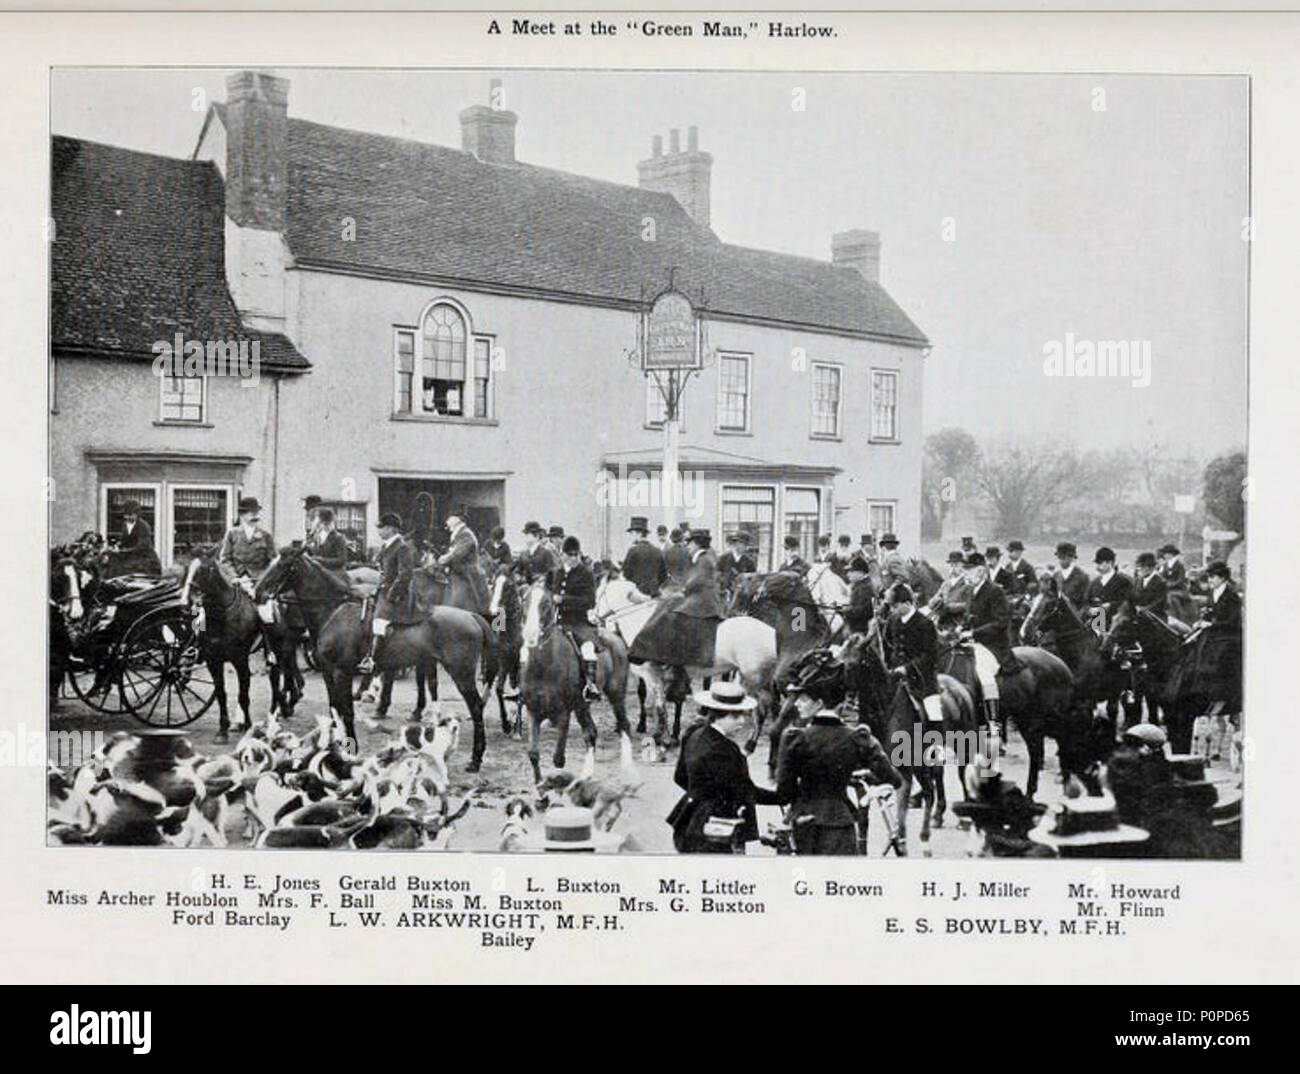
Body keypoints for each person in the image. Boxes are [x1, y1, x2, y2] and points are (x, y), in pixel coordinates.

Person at [774, 657, 902, 855]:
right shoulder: (858, 737)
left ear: (818, 703)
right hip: (841, 823)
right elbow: (893, 779)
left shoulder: (795, 737)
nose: (797, 704)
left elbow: (784, 792)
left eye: (803, 699)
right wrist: (864, 777)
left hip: (803, 822)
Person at [667, 681, 781, 854]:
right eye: (736, 716)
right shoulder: (725, 749)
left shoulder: (694, 734)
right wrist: (781, 797)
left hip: (688, 819)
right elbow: (745, 791)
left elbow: (680, 777)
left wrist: (701, 793)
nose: (742, 721)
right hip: (716, 828)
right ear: (719, 715)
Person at [962, 551, 1020, 746]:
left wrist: (974, 634)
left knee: (982, 673)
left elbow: (1001, 622)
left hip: (994, 645)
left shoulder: (995, 591)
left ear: (980, 571)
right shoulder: (971, 591)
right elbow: (969, 619)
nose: (966, 574)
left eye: (968, 570)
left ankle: (994, 722)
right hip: (975, 642)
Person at [358, 512, 416, 675]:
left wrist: (390, 594)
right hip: (383, 590)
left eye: (381, 528)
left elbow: (405, 574)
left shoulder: (402, 547)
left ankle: (372, 660)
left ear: (391, 529)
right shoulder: (386, 546)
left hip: (397, 594)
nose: (379, 531)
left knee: (379, 622)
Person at [551, 536, 604, 701]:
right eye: (570, 555)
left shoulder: (586, 573)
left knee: (587, 648)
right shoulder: (558, 572)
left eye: (576, 555)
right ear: (563, 555)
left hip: (579, 622)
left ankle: (590, 685)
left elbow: (590, 600)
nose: (573, 558)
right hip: (559, 621)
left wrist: (564, 599)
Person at [883, 582, 943, 724]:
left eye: (895, 606)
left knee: (933, 712)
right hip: (896, 677)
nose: (892, 610)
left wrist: (907, 668)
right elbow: (888, 644)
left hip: (922, 680)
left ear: (908, 603)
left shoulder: (925, 624)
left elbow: (930, 656)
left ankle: (937, 744)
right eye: (891, 607)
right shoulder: (893, 620)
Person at [218, 497, 277, 623]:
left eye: (256, 512)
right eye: (251, 512)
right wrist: (235, 577)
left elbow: (273, 562)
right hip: (236, 582)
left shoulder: (266, 536)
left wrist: (263, 578)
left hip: (258, 582)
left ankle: (268, 640)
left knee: (268, 617)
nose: (255, 516)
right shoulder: (232, 534)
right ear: (242, 515)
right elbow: (225, 559)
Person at [436, 508, 490, 614]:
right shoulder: (458, 533)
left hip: (468, 574)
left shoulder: (465, 534)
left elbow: (458, 553)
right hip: (458, 572)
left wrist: (443, 559)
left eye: (449, 518)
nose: (447, 521)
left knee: (460, 602)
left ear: (457, 520)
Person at [105, 499, 161, 577]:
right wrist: (117, 546)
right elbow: (124, 540)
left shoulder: (144, 526)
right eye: (126, 515)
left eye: (130, 515)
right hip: (129, 555)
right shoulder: (125, 525)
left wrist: (123, 551)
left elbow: (142, 546)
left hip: (143, 558)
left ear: (136, 514)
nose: (127, 517)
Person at [1086, 546, 1133, 629]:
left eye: (1100, 563)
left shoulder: (1124, 581)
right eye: (1097, 563)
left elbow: (1127, 603)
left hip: (1116, 628)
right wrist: (1089, 610)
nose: (1097, 566)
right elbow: (1085, 602)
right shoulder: (1094, 583)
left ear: (1110, 563)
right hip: (1095, 626)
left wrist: (1110, 605)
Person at [621, 516, 667, 598]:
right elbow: (663, 576)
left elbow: (625, 574)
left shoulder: (633, 551)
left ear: (638, 533)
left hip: (637, 596)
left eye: (632, 533)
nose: (631, 536)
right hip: (654, 595)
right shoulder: (658, 551)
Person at [927, 550, 970, 620]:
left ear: (963, 566)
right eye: (951, 566)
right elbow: (935, 598)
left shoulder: (967, 583)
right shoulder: (946, 583)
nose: (953, 568)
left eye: (956, 565)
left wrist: (949, 607)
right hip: (942, 619)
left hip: (959, 619)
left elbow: (968, 604)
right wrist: (933, 602)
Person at [716, 530, 756, 603]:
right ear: (735, 544)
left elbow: (752, 580)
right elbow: (717, 575)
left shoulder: (749, 562)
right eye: (738, 543)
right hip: (724, 594)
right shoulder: (723, 559)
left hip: (741, 596)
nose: (740, 546)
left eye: (744, 544)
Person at [309, 506, 349, 572]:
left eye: (316, 519)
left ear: (324, 522)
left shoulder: (338, 538)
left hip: (334, 573)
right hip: (319, 572)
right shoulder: (316, 537)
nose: (314, 523)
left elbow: (342, 560)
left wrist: (322, 560)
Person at [842, 555, 875, 636]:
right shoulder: (860, 585)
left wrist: (845, 611)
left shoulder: (865, 588)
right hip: (856, 627)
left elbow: (862, 611)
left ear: (860, 572)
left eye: (851, 571)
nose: (848, 574)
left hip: (861, 630)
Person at [1131, 551, 1168, 621]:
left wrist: (1144, 609)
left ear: (1149, 567)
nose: (1138, 569)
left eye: (1141, 567)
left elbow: (1159, 603)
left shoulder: (1161, 582)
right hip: (1138, 613)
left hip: (1155, 616)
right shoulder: (1137, 580)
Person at [1053, 541, 1089, 607]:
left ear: (1071, 558)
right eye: (1059, 557)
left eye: (1063, 558)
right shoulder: (1056, 576)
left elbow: (1085, 601)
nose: (1060, 561)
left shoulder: (1082, 577)